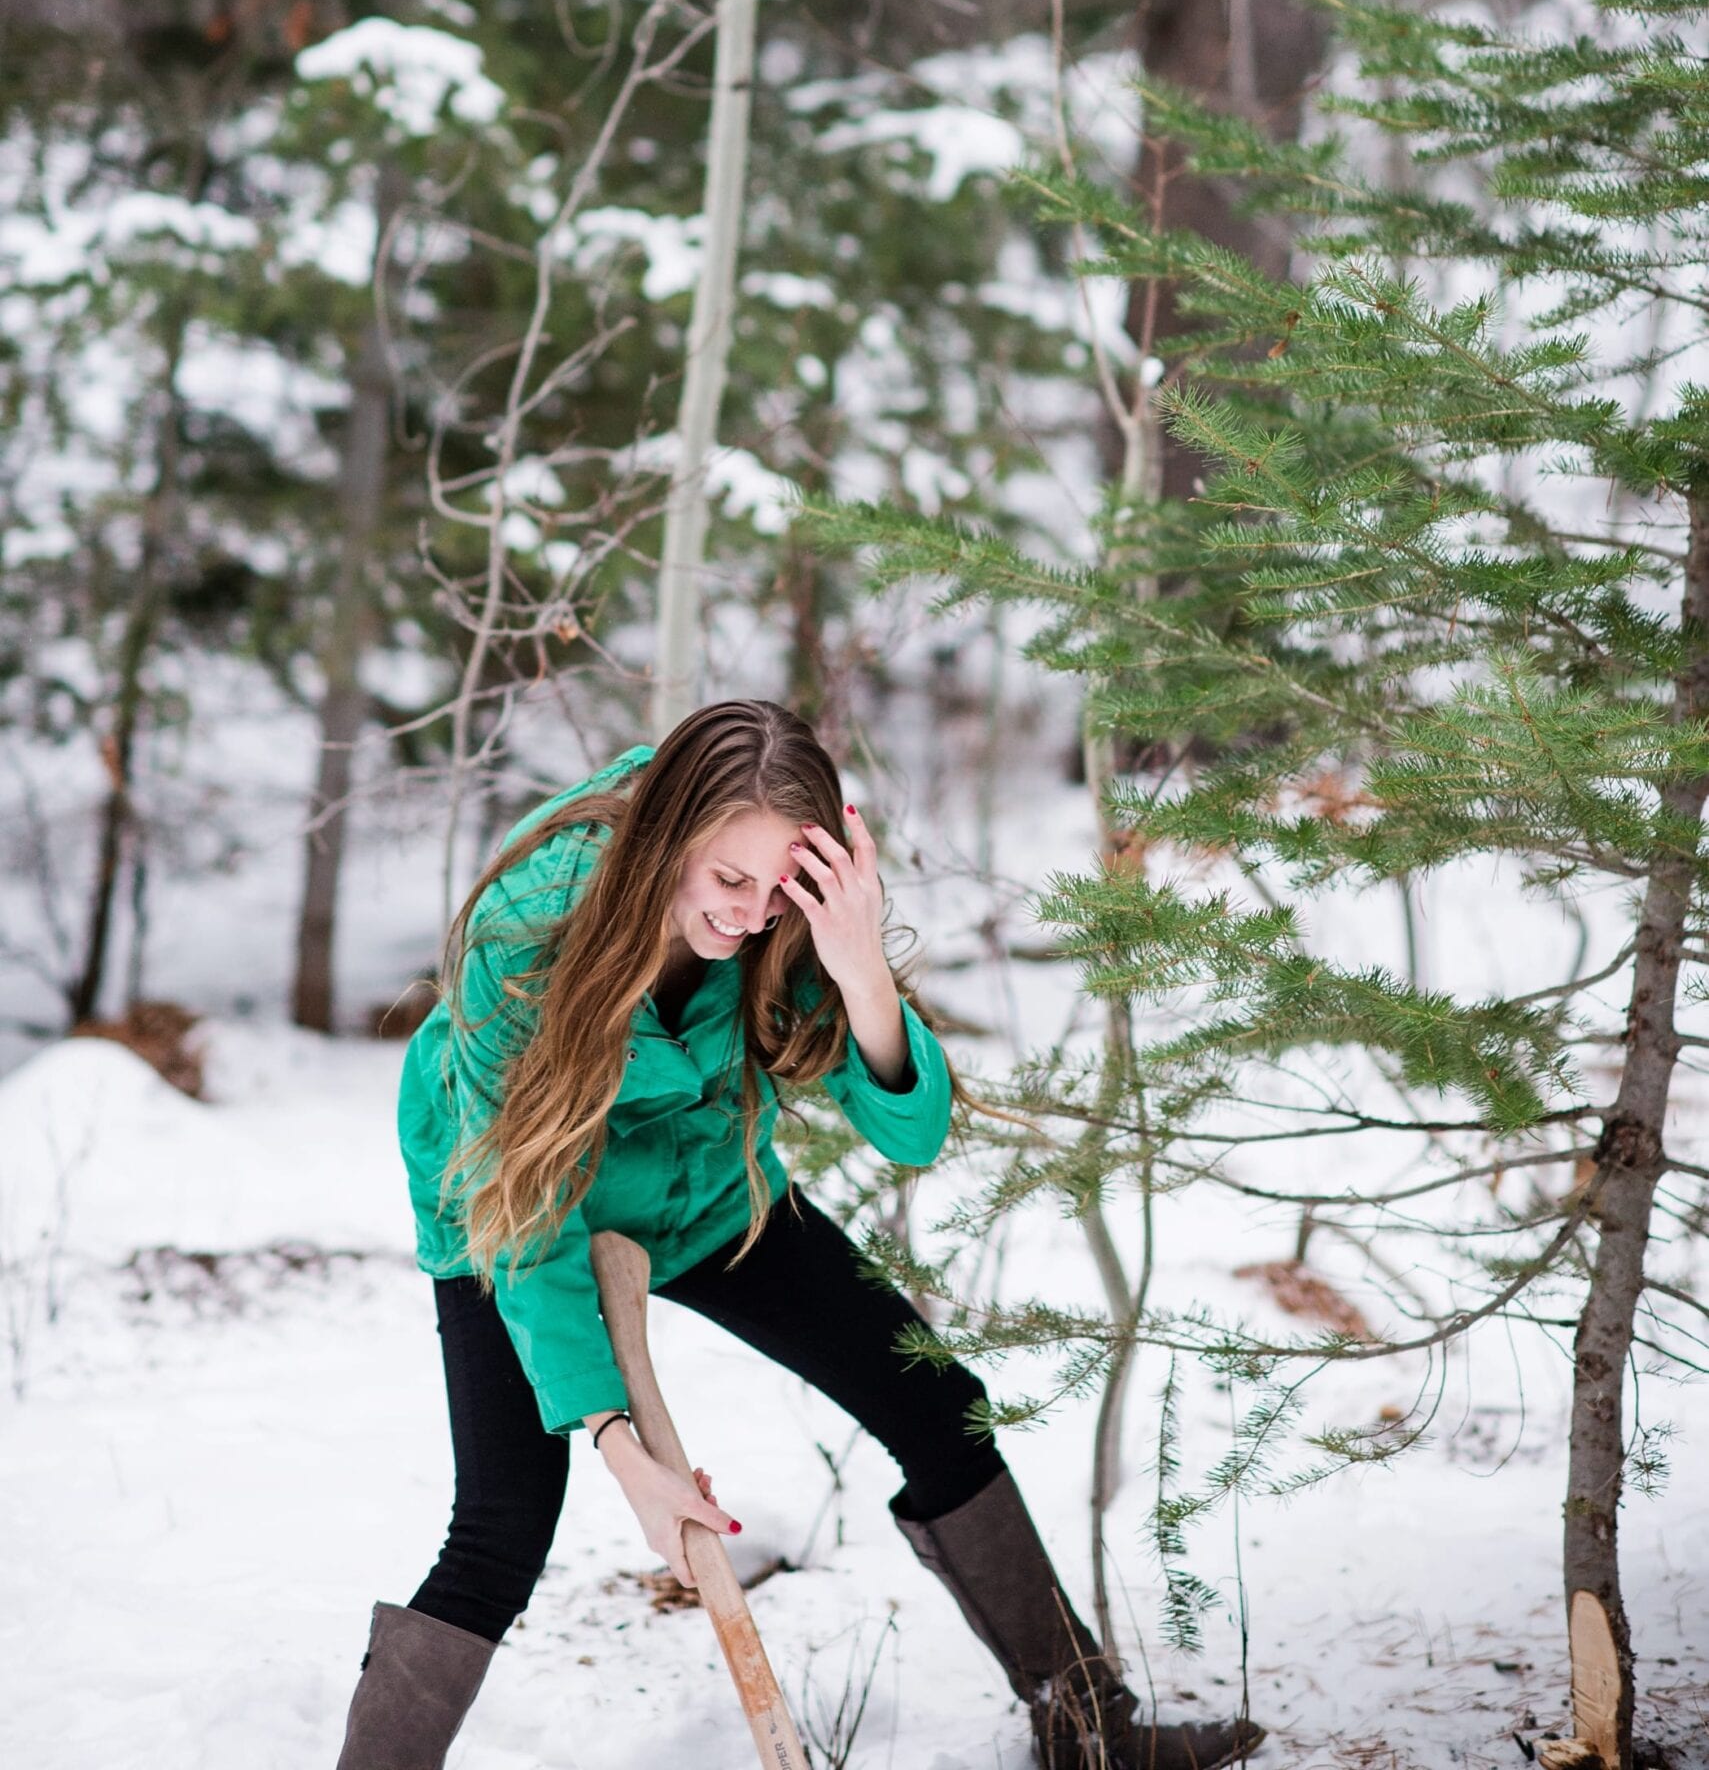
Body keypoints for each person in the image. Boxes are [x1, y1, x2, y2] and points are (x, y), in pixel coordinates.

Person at [334, 699, 1262, 1770]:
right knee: (502, 1527)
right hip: (506, 1204)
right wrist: (619, 1445)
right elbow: (531, 1207)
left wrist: (854, 958)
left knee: (934, 1401)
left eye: (776, 890)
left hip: (703, 1192)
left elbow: (910, 1134)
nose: (746, 918)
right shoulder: (529, 929)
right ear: (661, 839)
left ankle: (1089, 1733)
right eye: (726, 881)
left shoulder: (791, 912)